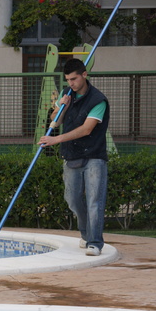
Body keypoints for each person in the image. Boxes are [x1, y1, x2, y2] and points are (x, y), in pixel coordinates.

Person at [38, 58, 109, 256]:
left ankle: (95, 243)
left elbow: (87, 129)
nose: (71, 83)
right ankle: (86, 234)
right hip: (72, 156)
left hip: (94, 156)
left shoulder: (98, 100)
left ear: (84, 75)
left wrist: (56, 140)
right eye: (68, 80)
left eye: (74, 79)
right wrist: (60, 107)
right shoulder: (66, 94)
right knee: (73, 200)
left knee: (94, 201)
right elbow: (56, 120)